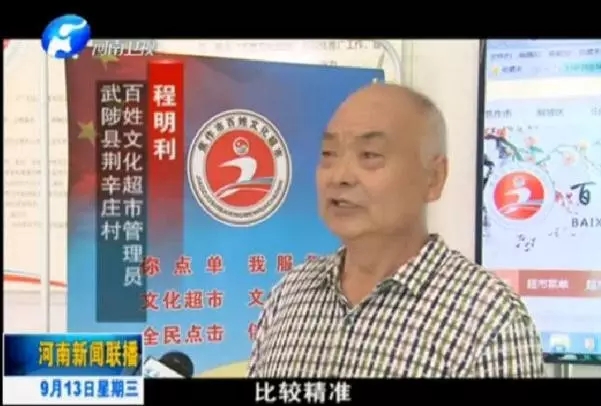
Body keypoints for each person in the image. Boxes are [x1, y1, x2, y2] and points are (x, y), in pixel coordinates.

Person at [248, 83, 545, 378]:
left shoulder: (490, 320)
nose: (339, 176)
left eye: (370, 155)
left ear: (434, 178)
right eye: (328, 154)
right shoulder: (289, 294)